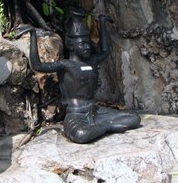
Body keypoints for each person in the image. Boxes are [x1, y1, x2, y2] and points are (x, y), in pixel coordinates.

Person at [18, 9, 140, 144]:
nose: (87, 47)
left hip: (96, 112)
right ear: (71, 45)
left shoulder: (92, 61)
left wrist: (102, 22)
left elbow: (105, 51)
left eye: (87, 43)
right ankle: (107, 127)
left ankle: (99, 128)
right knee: (81, 134)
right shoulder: (65, 65)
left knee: (134, 118)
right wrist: (33, 34)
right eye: (82, 43)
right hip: (76, 115)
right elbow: (38, 66)